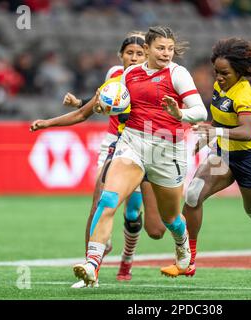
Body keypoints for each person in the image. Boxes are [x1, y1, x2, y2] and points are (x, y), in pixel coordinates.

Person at [72, 26, 208, 286]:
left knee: (170, 219)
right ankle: (92, 264)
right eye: (160, 48)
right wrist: (103, 106)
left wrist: (180, 115)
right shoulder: (131, 73)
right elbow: (117, 103)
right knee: (108, 199)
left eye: (169, 48)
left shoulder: (178, 74)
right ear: (147, 49)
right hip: (133, 144)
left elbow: (200, 112)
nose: (166, 53)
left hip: (167, 150)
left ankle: (182, 244)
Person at [30, 32, 166, 286]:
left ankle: (127, 257)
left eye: (139, 53)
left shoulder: (159, 78)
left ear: (147, 55)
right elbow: (94, 108)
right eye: (129, 53)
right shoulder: (114, 76)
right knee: (100, 201)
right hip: (116, 145)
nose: (134, 58)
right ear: (121, 55)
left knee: (154, 229)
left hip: (149, 148)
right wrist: (48, 122)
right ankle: (90, 266)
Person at [160, 37, 251, 277]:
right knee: (193, 195)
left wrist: (214, 131)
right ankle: (188, 261)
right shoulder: (219, 87)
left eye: (225, 73)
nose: (219, 77)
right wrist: (209, 133)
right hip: (223, 154)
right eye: (216, 72)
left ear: (240, 71)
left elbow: (246, 132)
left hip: (250, 159)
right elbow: (221, 119)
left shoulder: (244, 94)